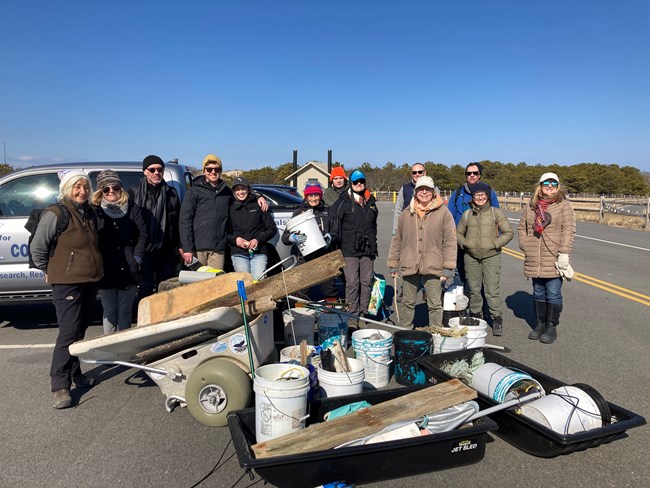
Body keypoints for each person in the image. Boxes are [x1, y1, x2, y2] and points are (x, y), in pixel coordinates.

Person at [30, 170, 103, 409]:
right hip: (67, 283)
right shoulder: (56, 213)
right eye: (77, 187)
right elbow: (38, 248)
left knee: (79, 330)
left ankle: (76, 374)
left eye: (85, 187)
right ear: (67, 188)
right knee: (68, 332)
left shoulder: (88, 212)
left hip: (89, 280)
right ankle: (59, 386)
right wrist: (49, 270)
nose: (82, 191)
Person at [388, 176, 456, 328]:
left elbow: (450, 242)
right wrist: (393, 263)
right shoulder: (406, 213)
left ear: (433, 192)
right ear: (415, 192)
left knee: (435, 304)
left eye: (428, 190)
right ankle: (405, 332)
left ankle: (436, 333)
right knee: (407, 302)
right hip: (409, 262)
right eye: (420, 189)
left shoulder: (444, 213)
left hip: (434, 264)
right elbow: (397, 240)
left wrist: (448, 267)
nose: (424, 192)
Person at [518, 172, 576, 344]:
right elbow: (522, 227)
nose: (549, 186)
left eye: (553, 183)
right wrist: (525, 244)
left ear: (557, 187)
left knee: (553, 293)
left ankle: (551, 326)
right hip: (534, 256)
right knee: (538, 291)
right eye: (546, 183)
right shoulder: (531, 206)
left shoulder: (563, 205)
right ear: (540, 185)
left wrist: (564, 252)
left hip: (554, 255)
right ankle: (540, 324)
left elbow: (569, 230)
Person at [92, 170, 147, 334]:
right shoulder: (95, 211)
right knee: (109, 312)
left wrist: (137, 257)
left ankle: (124, 350)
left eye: (115, 187)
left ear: (121, 188)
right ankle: (110, 351)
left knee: (125, 311)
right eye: (106, 189)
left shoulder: (133, 208)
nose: (111, 192)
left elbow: (142, 234)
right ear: (100, 191)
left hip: (129, 268)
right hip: (106, 269)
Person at [456, 182, 513, 336]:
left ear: (487, 197)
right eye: (476, 195)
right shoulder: (467, 214)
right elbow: (458, 233)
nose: (480, 197)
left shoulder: (496, 213)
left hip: (491, 257)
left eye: (482, 195)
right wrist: (465, 244)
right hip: (471, 257)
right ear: (473, 198)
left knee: (491, 290)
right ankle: (476, 316)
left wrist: (495, 244)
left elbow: (508, 232)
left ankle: (496, 318)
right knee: (474, 289)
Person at [330, 170, 378, 329]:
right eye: (356, 182)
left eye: (361, 182)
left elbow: (373, 226)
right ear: (350, 183)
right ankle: (352, 317)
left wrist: (373, 244)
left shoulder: (371, 202)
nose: (359, 184)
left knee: (366, 282)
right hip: (349, 250)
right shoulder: (342, 202)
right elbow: (335, 227)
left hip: (367, 249)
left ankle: (364, 313)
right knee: (352, 283)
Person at [128, 155, 181, 298]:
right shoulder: (133, 192)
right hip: (143, 249)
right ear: (145, 171)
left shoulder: (172, 193)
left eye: (160, 169)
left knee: (166, 289)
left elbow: (178, 222)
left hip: (166, 249)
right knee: (145, 288)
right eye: (152, 169)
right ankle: (144, 319)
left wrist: (179, 247)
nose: (156, 172)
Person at [281, 182, 338, 301]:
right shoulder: (298, 213)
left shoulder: (327, 212)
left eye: (316, 195)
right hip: (304, 256)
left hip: (324, 255)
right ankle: (304, 316)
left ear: (320, 196)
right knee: (302, 290)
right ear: (306, 197)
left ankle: (331, 315)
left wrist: (331, 236)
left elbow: (336, 231)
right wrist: (291, 238)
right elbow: (285, 237)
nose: (313, 198)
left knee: (329, 289)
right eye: (310, 195)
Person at [447, 162, 500, 288]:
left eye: (475, 173)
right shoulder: (458, 193)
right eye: (468, 173)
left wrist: (496, 241)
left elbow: (497, 216)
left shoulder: (489, 193)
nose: (471, 175)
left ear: (480, 175)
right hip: (461, 242)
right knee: (459, 274)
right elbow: (449, 217)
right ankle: (461, 304)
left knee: (480, 278)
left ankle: (480, 305)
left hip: (482, 243)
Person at [179, 155, 231, 270]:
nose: (213, 172)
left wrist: (258, 197)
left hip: (218, 249)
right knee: (198, 284)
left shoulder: (227, 192)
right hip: (198, 248)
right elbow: (185, 220)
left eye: (216, 169)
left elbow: (242, 198)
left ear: (220, 171)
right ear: (204, 171)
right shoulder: (193, 191)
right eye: (209, 169)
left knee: (216, 283)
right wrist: (187, 248)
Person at [228, 176, 277, 280]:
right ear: (233, 191)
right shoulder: (229, 207)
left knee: (258, 282)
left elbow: (271, 229)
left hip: (259, 252)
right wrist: (236, 240)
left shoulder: (259, 205)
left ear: (248, 189)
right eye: (237, 189)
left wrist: (257, 240)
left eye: (243, 188)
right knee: (244, 282)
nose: (240, 192)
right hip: (239, 253)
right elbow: (225, 232)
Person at [392, 163, 439, 235]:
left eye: (420, 172)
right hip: (408, 229)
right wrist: (395, 229)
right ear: (411, 174)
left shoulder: (434, 189)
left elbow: (438, 210)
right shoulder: (404, 188)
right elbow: (398, 210)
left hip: (428, 230)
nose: (417, 174)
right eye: (414, 172)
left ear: (425, 172)